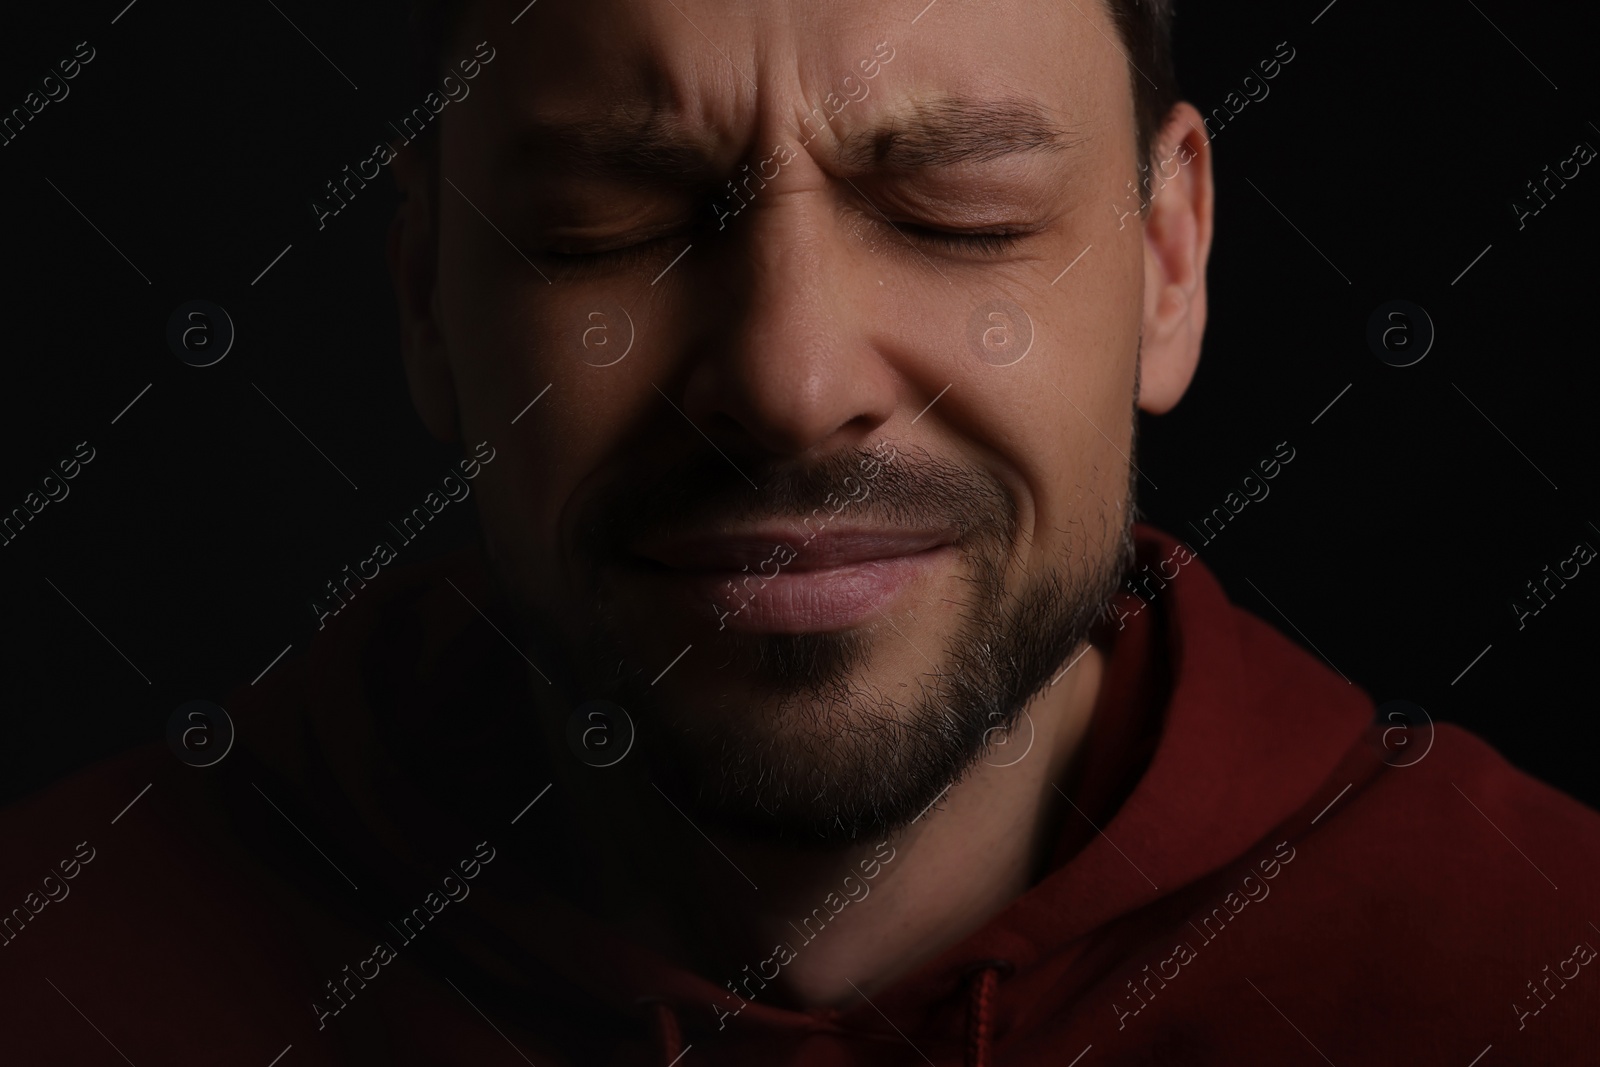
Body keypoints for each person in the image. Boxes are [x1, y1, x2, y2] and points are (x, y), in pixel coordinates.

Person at [3, 0, 1597, 1063]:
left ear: (1171, 264)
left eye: (955, 212)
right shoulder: (61, 974)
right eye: (605, 223)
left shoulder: (1539, 979)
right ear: (427, 295)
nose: (789, 376)